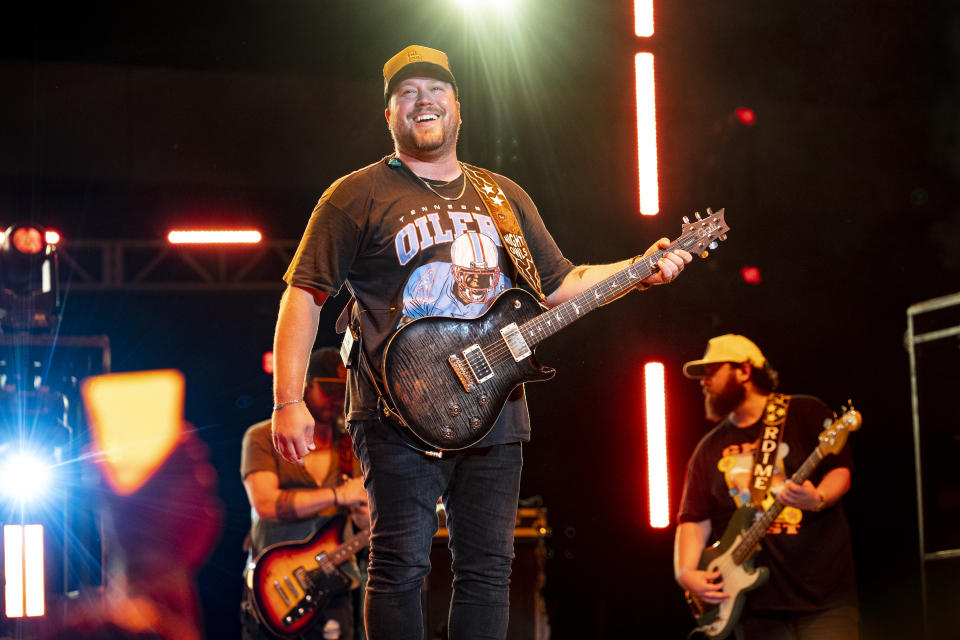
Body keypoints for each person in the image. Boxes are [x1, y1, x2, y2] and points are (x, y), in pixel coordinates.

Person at [270, 44, 691, 640]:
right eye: (407, 93)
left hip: (495, 407)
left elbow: (559, 284)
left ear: (458, 108)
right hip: (395, 412)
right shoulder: (355, 195)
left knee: (489, 572)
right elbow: (303, 296)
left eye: (436, 90)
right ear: (388, 115)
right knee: (399, 565)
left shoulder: (504, 196)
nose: (424, 101)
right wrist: (288, 400)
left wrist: (639, 266)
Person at [674, 334, 859, 639]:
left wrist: (819, 497)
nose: (704, 382)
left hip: (824, 598)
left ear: (744, 372)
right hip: (754, 609)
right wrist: (685, 573)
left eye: (712, 371)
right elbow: (693, 520)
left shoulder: (804, 412)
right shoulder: (708, 449)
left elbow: (840, 470)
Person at [241, 347, 370, 640]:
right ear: (304, 386)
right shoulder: (262, 437)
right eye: (327, 390)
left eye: (343, 390)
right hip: (273, 588)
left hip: (334, 586)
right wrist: (338, 495)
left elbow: (366, 518)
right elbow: (265, 505)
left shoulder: (352, 445)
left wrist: (366, 517)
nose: (337, 399)